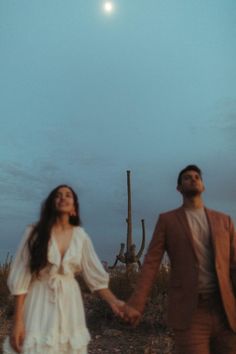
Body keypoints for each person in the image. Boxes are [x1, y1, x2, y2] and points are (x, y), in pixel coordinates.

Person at [123, 165, 236, 354]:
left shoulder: (224, 221)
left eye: (197, 177)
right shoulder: (168, 221)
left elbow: (234, 265)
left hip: (225, 309)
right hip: (191, 313)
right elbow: (151, 264)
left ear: (203, 186)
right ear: (179, 188)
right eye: (186, 177)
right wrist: (136, 303)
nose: (193, 179)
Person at [3, 185, 124, 354]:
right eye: (58, 195)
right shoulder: (34, 233)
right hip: (39, 299)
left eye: (68, 195)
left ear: (74, 206)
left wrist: (115, 302)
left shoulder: (80, 236)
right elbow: (21, 278)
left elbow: (95, 277)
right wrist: (18, 321)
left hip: (69, 302)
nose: (63, 198)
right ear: (51, 204)